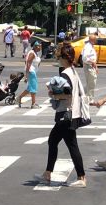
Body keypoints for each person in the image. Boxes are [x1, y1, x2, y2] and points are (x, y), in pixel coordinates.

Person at [35, 43, 88, 187]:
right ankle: (48, 173)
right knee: (54, 141)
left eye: (58, 57)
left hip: (66, 114)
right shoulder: (73, 70)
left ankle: (81, 177)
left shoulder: (65, 73)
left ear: (64, 58)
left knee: (70, 145)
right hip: (72, 113)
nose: (57, 59)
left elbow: (66, 94)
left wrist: (52, 93)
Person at [19, 38, 41, 108]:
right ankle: (33, 104)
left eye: (39, 45)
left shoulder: (35, 53)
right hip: (31, 72)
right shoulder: (32, 53)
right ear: (34, 46)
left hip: (33, 71)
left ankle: (19, 98)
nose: (39, 47)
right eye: (37, 45)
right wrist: (26, 75)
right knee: (33, 88)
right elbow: (28, 63)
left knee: (29, 88)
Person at [80, 34, 98, 100]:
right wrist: (92, 62)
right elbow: (84, 58)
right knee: (91, 83)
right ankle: (89, 98)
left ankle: (84, 95)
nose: (96, 40)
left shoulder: (90, 46)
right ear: (92, 39)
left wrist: (95, 65)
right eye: (95, 39)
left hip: (91, 66)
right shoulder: (88, 47)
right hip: (89, 66)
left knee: (91, 82)